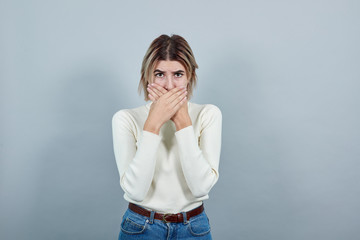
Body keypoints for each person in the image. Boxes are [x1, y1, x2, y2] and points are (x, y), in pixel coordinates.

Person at [112, 34, 222, 240]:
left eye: (178, 74)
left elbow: (200, 188)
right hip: (140, 226)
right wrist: (152, 124)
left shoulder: (208, 114)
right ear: (147, 77)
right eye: (160, 74)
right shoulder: (126, 119)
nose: (169, 85)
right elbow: (135, 192)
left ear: (190, 76)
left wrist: (182, 120)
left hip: (193, 227)